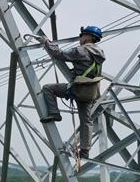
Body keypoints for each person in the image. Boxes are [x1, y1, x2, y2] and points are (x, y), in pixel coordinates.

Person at [39, 26, 105, 159]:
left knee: (47, 88)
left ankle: (54, 113)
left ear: (88, 37)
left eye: (82, 36)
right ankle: (85, 151)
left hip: (78, 89)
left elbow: (59, 54)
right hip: (91, 92)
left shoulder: (81, 51)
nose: (80, 38)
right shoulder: (99, 54)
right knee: (86, 121)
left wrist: (47, 42)